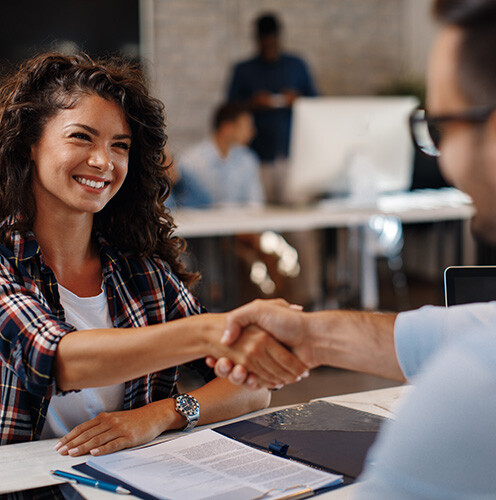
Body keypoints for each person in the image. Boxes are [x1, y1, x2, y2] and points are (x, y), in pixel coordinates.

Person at [211, 0, 496, 496]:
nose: (441, 158)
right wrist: (312, 337)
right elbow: (470, 328)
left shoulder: (479, 396)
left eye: (441, 129)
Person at [0, 52, 308, 452]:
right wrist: (209, 333)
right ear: (29, 144)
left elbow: (251, 387)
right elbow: (60, 360)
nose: (103, 161)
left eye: (120, 145)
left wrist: (160, 414)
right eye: (82, 136)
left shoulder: (140, 271)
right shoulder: (7, 262)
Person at [227, 13, 317, 202]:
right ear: (257, 40)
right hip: (257, 155)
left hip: (293, 153)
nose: (269, 45)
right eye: (264, 41)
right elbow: (229, 109)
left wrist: (298, 100)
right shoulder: (244, 70)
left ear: (279, 38)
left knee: (298, 219)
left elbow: (317, 103)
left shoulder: (296, 65)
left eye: (272, 40)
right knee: (261, 215)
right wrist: (253, 103)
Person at [170, 102, 264, 208]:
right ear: (227, 128)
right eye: (247, 127)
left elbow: (255, 203)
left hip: (241, 223)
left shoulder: (248, 159)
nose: (252, 132)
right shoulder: (191, 161)